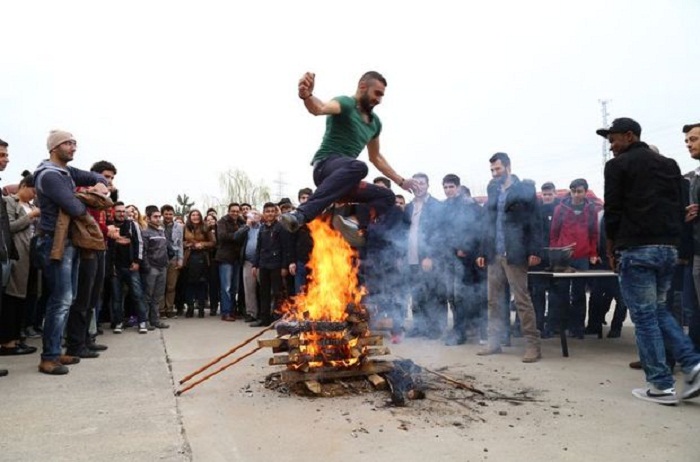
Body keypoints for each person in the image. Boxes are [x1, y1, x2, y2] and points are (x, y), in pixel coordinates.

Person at [599, 117, 700, 404]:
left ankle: (661, 385)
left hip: (637, 250)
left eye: (614, 140)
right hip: (667, 250)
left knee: (644, 318)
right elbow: (680, 207)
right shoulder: (669, 165)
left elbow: (613, 210)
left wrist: (611, 249)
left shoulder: (617, 166)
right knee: (657, 312)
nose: (612, 147)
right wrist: (677, 247)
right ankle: (693, 364)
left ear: (629, 136)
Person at [279, 71, 417, 247]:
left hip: (345, 180)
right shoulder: (345, 103)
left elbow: (376, 157)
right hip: (326, 167)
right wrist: (306, 96)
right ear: (362, 87)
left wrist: (401, 181)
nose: (379, 100)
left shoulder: (375, 123)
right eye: (377, 94)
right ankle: (300, 214)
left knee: (387, 197)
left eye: (382, 96)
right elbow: (320, 108)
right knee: (359, 167)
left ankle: (352, 220)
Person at [33, 130, 109, 374]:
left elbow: (96, 176)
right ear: (54, 148)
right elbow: (74, 207)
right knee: (61, 299)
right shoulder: (50, 175)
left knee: (68, 298)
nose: (73, 148)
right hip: (55, 243)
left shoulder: (67, 172)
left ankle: (56, 351)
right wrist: (89, 195)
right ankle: (49, 357)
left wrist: (100, 184)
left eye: (75, 143)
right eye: (68, 143)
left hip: (70, 243)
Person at [476, 152, 542, 363]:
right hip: (495, 253)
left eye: (498, 169)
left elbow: (536, 221)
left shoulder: (525, 189)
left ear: (508, 166)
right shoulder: (492, 188)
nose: (495, 173)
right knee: (493, 301)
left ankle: (533, 345)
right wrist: (482, 251)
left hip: (516, 251)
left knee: (522, 300)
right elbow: (488, 221)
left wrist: (535, 250)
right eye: (492, 170)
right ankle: (494, 343)